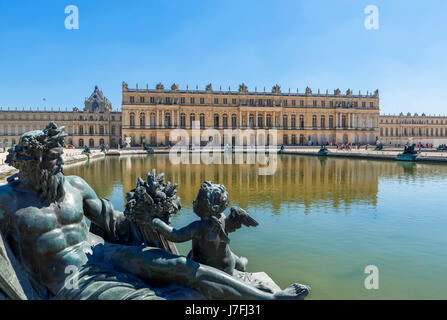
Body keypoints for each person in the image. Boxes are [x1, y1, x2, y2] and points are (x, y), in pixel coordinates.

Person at [0, 122, 309, 300]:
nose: (60, 163)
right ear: (30, 162)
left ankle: (267, 299)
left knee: (180, 266)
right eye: (52, 159)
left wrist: (149, 213)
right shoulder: (6, 200)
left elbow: (116, 224)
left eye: (59, 157)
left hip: (101, 254)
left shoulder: (75, 185)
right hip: (72, 280)